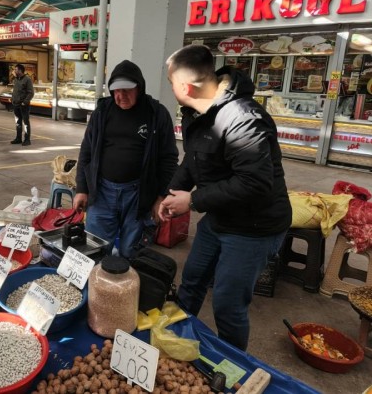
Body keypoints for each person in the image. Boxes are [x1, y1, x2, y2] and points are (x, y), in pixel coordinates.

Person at [159, 44, 292, 351]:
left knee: (228, 304)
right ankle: (175, 341)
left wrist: (192, 201)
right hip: (220, 216)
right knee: (191, 281)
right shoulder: (197, 112)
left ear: (185, 86)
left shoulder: (243, 118)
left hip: (254, 227)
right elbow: (193, 159)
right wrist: (169, 194)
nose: (171, 89)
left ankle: (232, 366)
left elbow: (255, 183)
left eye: (170, 82)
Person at [73, 60, 179, 259]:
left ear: (139, 88)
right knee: (95, 248)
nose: (120, 96)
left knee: (132, 251)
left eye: (127, 90)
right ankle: (97, 279)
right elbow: (86, 150)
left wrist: (161, 197)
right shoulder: (102, 112)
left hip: (139, 194)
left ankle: (127, 278)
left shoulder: (157, 114)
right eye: (116, 91)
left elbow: (169, 159)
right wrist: (82, 188)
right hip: (102, 191)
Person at [10, 64, 34, 146]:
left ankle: (27, 140)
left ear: (20, 70)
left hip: (24, 105)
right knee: (18, 122)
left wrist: (25, 102)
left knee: (25, 122)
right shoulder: (16, 79)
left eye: (16, 69)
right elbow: (15, 91)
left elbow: (31, 93)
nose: (14, 71)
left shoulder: (27, 79)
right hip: (16, 104)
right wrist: (13, 99)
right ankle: (18, 138)